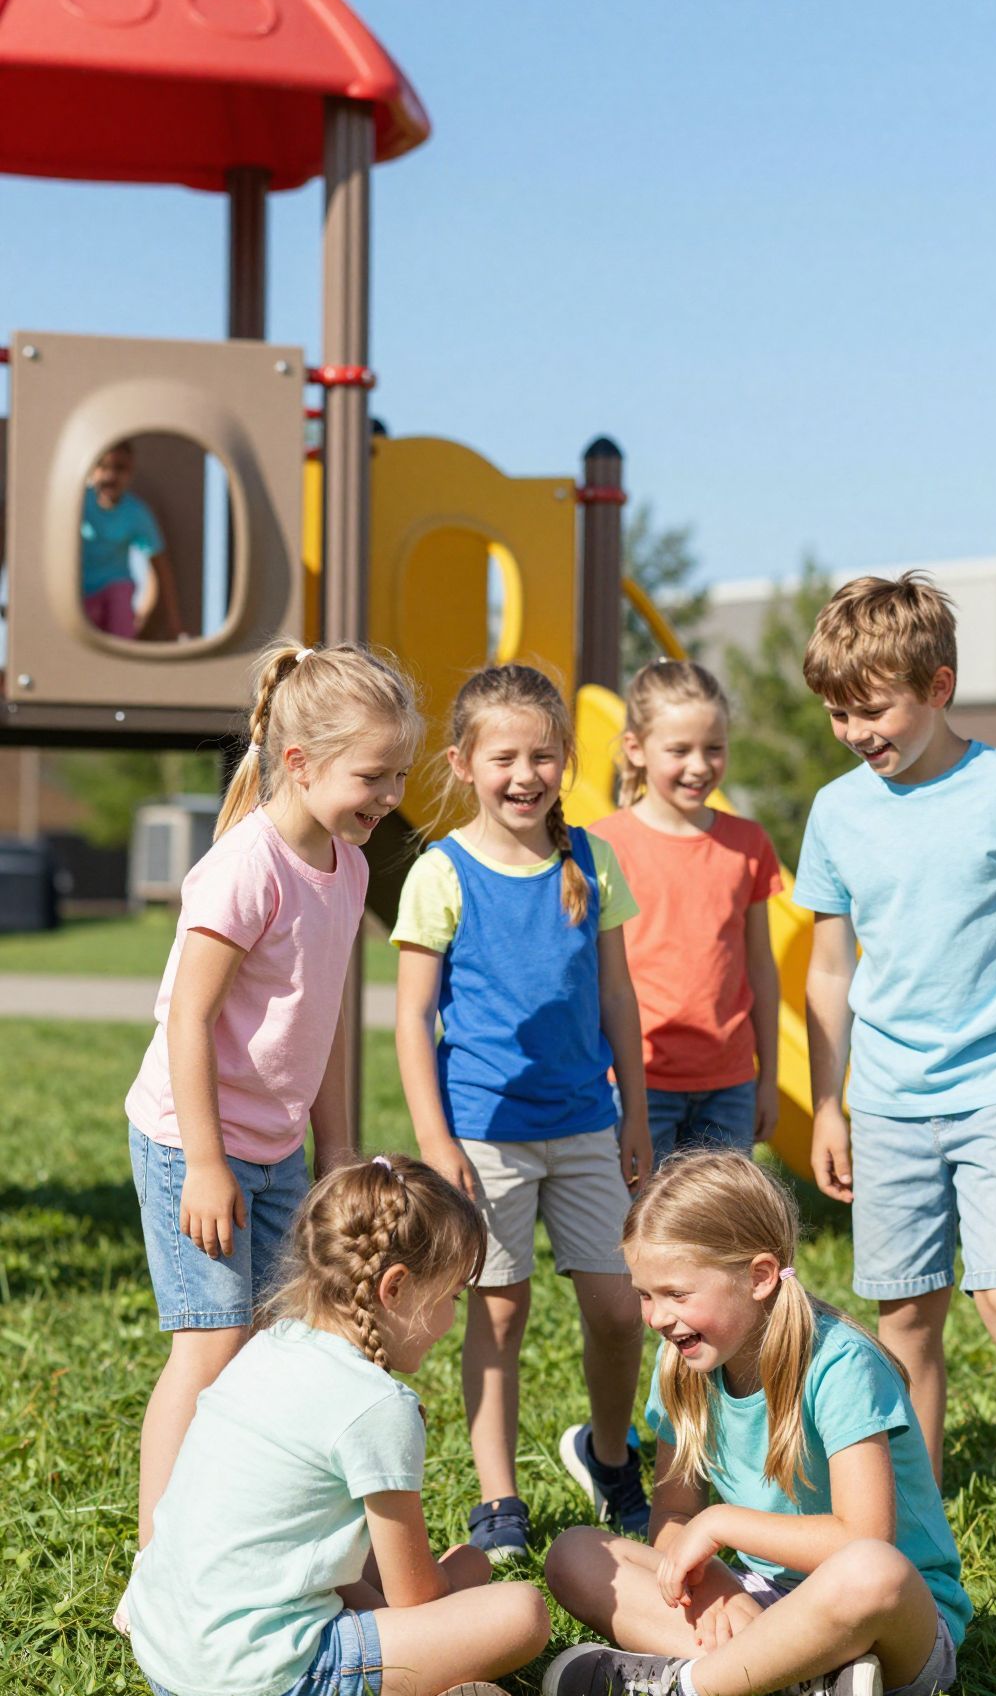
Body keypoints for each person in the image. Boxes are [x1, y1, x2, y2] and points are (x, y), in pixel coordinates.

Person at [793, 573, 996, 1605]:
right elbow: (830, 968)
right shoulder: (836, 811)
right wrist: (831, 1098)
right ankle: (917, 1532)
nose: (856, 730)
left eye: (874, 707)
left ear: (939, 685)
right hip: (886, 1097)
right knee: (907, 1316)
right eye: (839, 710)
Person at [123, 639, 422, 1580]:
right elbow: (188, 1019)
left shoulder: (351, 867)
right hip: (192, 1140)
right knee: (210, 1348)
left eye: (398, 775)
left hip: (278, 1147)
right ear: (299, 762)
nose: (387, 796)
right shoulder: (244, 867)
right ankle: (160, 1563)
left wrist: (337, 1146)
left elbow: (329, 1014)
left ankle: (244, 1530)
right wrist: (207, 1164)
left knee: (276, 1345)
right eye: (372, 775)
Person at [126, 1155, 551, 1696]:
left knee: (435, 1579)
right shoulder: (377, 1405)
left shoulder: (270, 1344)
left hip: (169, 1659)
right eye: (452, 1296)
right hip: (255, 1688)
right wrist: (466, 1570)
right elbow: (416, 1598)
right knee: (519, 1611)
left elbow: (315, 1548)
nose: (452, 1319)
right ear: (396, 1287)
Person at [543, 1150, 969, 1696]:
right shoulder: (680, 1366)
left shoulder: (841, 1364)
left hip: (893, 1620)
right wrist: (710, 1577)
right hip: (764, 1597)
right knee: (576, 1555)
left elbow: (865, 1539)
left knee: (875, 1570)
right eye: (645, 1295)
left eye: (677, 1293)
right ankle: (806, 1684)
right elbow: (671, 1513)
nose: (658, 1317)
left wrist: (720, 1527)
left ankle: (685, 1686)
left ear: (760, 1276)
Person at [392, 664, 652, 1563]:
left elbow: (619, 996)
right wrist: (436, 1142)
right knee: (497, 1315)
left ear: (565, 762)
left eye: (544, 755)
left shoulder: (595, 860)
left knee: (621, 1310)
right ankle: (498, 1498)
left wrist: (636, 1116)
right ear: (464, 762)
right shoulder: (440, 872)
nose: (525, 774)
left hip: (587, 1125)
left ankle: (611, 1457)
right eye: (504, 756)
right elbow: (411, 1019)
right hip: (481, 1137)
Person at [592, 658, 782, 1166]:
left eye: (714, 749)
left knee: (719, 1236)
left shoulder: (749, 843)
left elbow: (760, 966)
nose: (699, 766)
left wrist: (770, 1079)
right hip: (633, 1084)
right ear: (635, 749)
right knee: (642, 1230)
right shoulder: (603, 846)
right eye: (679, 750)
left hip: (731, 1085)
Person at [81, 441, 185, 640]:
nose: (110, 476)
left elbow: (160, 568)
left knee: (120, 609)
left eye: (119, 468)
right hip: (82, 592)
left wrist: (174, 625)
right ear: (92, 470)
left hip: (115, 586)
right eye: (103, 467)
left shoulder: (136, 514)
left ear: (130, 473)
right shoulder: (81, 502)